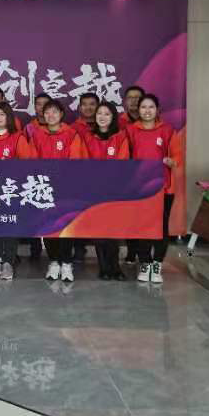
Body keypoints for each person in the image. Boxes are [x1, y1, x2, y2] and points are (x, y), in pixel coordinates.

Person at [126, 94, 181, 285]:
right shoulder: (131, 130)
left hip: (164, 188)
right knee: (142, 227)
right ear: (138, 110)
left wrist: (171, 161)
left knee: (161, 228)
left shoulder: (167, 130)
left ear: (157, 110)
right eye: (143, 107)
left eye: (151, 107)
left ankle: (157, 263)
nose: (147, 111)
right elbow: (125, 156)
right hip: (140, 188)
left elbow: (177, 154)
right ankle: (145, 263)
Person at [32, 99, 86, 282]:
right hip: (45, 188)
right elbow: (32, 161)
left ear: (61, 114)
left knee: (66, 227)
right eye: (47, 112)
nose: (51, 115)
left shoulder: (71, 134)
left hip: (66, 188)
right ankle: (54, 261)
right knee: (49, 227)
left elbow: (75, 161)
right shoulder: (37, 135)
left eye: (54, 112)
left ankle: (67, 263)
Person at [0, 103, 35, 280]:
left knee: (10, 224)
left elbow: (26, 164)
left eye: (2, 114)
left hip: (11, 190)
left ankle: (9, 262)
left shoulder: (18, 137)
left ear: (9, 117)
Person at [83, 102, 130, 281]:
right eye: (99, 113)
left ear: (113, 117)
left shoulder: (121, 137)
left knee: (113, 231)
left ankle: (115, 267)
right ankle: (103, 267)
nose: (102, 117)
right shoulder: (88, 137)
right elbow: (83, 162)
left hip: (114, 191)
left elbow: (123, 164)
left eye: (107, 114)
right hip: (93, 190)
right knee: (98, 231)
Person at [70, 93, 100, 263]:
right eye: (85, 104)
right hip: (79, 178)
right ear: (79, 107)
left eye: (92, 104)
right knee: (78, 216)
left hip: (102, 178)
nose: (88, 108)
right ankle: (79, 250)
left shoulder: (106, 124)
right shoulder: (72, 128)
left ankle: (104, 256)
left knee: (101, 216)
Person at [120, 85, 145, 265]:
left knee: (144, 216)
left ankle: (144, 255)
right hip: (126, 176)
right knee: (129, 216)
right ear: (125, 101)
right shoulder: (118, 122)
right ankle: (131, 250)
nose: (134, 101)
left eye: (138, 97)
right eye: (131, 97)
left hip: (146, 176)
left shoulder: (152, 121)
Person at [25, 93, 50, 260]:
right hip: (34, 177)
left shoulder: (61, 128)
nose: (42, 107)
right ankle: (35, 248)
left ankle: (54, 251)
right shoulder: (29, 127)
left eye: (45, 104)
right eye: (38, 104)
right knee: (35, 214)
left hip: (55, 175)